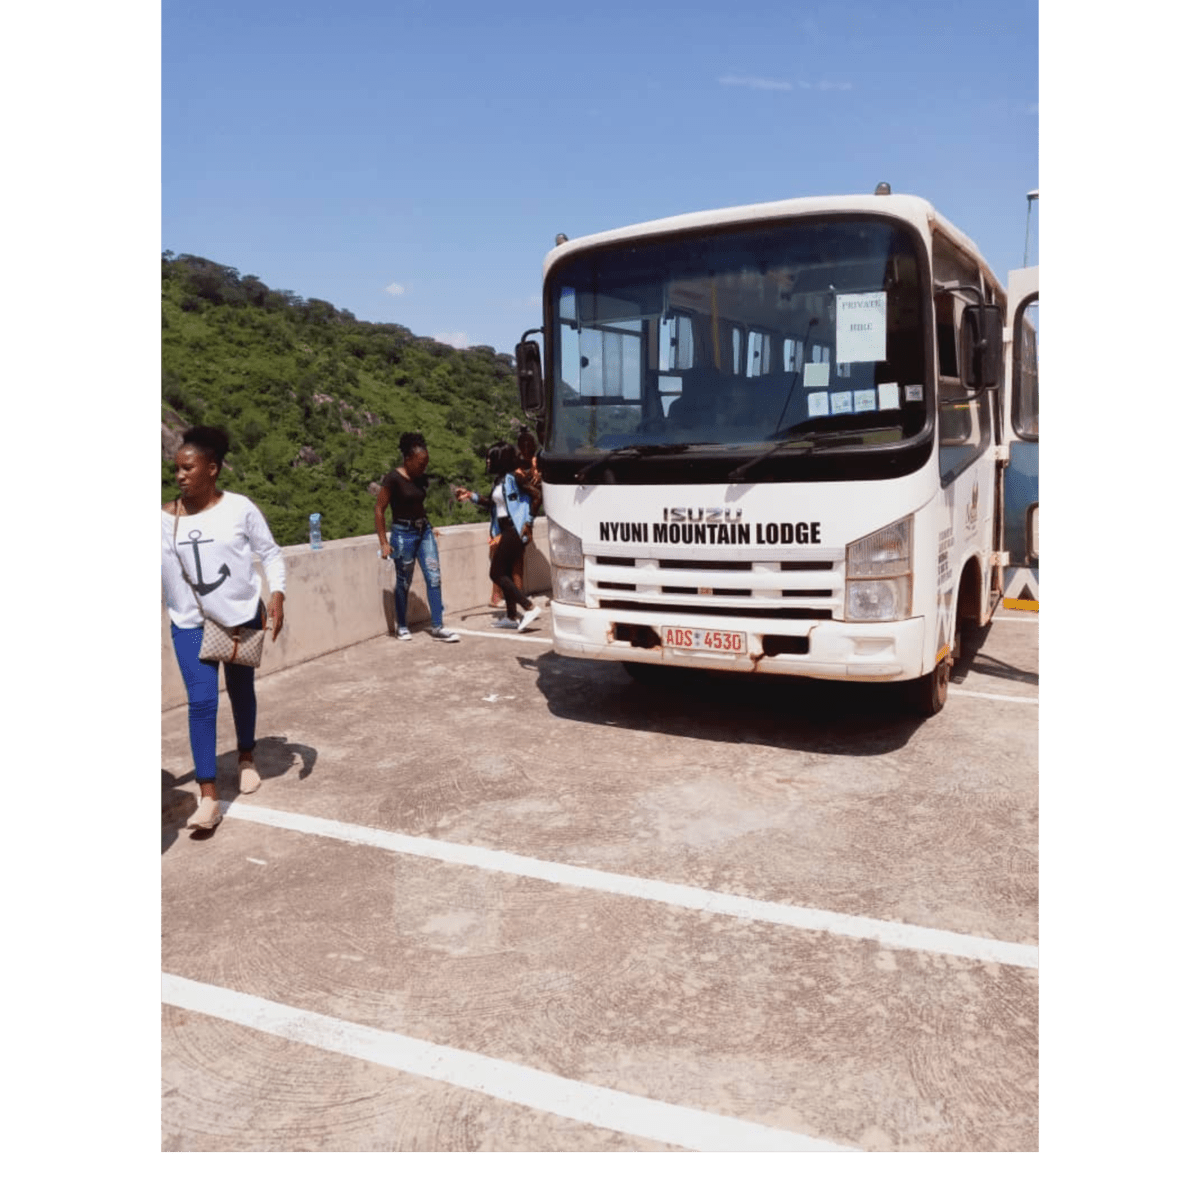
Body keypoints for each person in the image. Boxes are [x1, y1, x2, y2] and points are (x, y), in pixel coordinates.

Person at [160, 426, 286, 832]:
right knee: (201, 702)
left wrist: (278, 593)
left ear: (212, 469)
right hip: (190, 623)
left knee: (241, 689)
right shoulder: (162, 520)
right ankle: (208, 795)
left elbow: (270, 553)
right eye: (177, 469)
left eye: (188, 468)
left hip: (240, 617)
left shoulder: (239, 509)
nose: (180, 475)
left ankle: (246, 757)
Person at [375, 432, 460, 643]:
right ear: (408, 459)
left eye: (426, 463)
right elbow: (379, 509)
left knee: (434, 577)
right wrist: (384, 542)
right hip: (403, 534)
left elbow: (417, 504)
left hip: (424, 531)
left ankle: (438, 626)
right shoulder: (393, 479)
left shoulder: (420, 478)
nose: (424, 467)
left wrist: (428, 525)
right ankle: (402, 626)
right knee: (404, 581)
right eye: (421, 463)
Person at [456, 442, 542, 631]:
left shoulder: (514, 478)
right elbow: (491, 504)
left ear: (501, 459)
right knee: (506, 572)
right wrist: (470, 495)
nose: (488, 461)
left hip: (514, 529)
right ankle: (511, 616)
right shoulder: (500, 481)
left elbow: (536, 496)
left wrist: (528, 523)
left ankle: (529, 607)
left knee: (495, 573)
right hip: (503, 529)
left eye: (491, 458)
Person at [489, 427, 542, 606]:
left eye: (530, 447)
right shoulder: (515, 472)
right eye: (524, 447)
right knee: (504, 560)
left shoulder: (529, 468)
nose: (527, 450)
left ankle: (515, 600)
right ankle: (507, 599)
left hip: (518, 520)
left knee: (510, 562)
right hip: (509, 522)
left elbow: (536, 496)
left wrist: (529, 522)